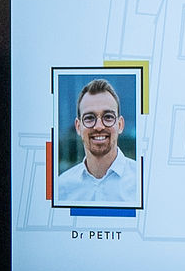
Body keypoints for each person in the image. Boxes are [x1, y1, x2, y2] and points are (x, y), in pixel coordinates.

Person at [54, 78, 140, 206]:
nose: (99, 126)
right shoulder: (61, 188)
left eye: (108, 117)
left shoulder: (142, 182)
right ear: (78, 126)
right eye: (89, 118)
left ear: (120, 125)